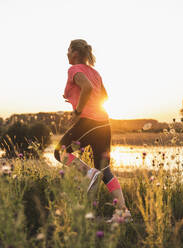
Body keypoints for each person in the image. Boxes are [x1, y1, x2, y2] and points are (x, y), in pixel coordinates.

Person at [54, 39, 130, 216]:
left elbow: (86, 87)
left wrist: (79, 110)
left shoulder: (74, 69)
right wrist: (75, 98)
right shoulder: (95, 73)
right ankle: (123, 212)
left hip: (90, 121)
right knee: (105, 170)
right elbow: (103, 96)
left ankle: (89, 173)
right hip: (104, 122)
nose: (66, 53)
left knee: (60, 152)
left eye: (68, 50)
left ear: (75, 53)